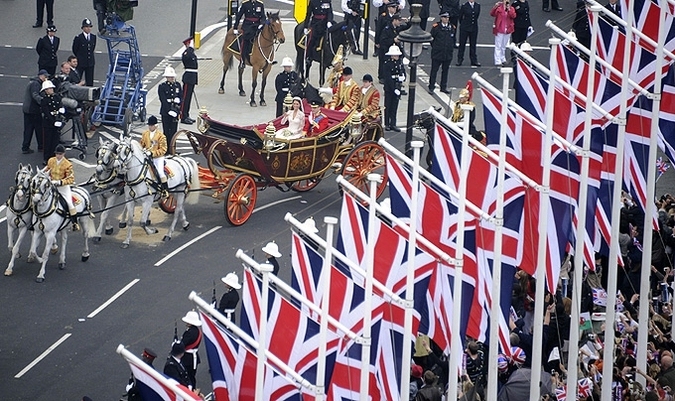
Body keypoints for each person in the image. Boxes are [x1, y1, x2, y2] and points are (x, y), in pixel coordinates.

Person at [44, 144, 80, 231]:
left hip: (62, 187)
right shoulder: (51, 160)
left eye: (60, 154)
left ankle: (74, 223)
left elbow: (71, 178)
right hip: (51, 185)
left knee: (69, 203)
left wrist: (60, 182)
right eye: (57, 154)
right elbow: (47, 169)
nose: (58, 156)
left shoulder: (68, 164)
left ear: (63, 154)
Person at [140, 115, 169, 196]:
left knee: (160, 172)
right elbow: (142, 144)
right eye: (149, 125)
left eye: (151, 125)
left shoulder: (161, 136)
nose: (150, 127)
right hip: (147, 155)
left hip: (157, 158)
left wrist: (153, 153)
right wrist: (142, 149)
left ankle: (165, 189)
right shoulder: (145, 134)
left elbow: (163, 149)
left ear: (155, 126)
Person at [22, 70, 48, 154]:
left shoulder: (33, 82)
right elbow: (35, 95)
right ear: (42, 76)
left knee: (28, 129)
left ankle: (25, 147)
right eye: (45, 76)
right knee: (38, 128)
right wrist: (43, 102)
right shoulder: (36, 84)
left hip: (28, 109)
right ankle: (41, 146)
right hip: (33, 110)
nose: (46, 78)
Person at [234, 0, 266, 68]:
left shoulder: (260, 4)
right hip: (248, 26)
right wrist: (235, 27)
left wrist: (262, 23)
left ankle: (267, 58)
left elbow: (263, 16)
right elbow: (239, 15)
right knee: (245, 41)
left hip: (257, 25)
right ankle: (242, 60)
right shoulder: (245, 4)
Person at [429, 13, 455, 93]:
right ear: (441, 18)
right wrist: (436, 47)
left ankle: (443, 87)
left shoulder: (452, 27)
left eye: (447, 17)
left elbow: (453, 39)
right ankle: (431, 87)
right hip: (437, 53)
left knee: (445, 71)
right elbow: (431, 39)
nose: (446, 19)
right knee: (434, 70)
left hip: (447, 53)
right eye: (445, 17)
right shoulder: (436, 27)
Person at [40, 79, 65, 163]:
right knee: (48, 141)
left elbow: (60, 105)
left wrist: (60, 115)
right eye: (49, 89)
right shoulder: (44, 100)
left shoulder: (57, 97)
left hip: (57, 121)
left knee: (55, 140)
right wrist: (53, 121)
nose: (51, 90)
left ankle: (54, 157)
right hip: (48, 123)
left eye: (51, 88)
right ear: (45, 90)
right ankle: (46, 158)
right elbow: (46, 112)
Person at [158, 66, 182, 152]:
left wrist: (178, 108)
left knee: (174, 131)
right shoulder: (162, 86)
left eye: (173, 77)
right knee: (166, 131)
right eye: (170, 77)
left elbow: (181, 97)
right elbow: (163, 100)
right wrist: (169, 110)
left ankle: (172, 149)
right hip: (166, 111)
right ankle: (166, 149)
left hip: (175, 111)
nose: (172, 78)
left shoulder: (177, 85)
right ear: (167, 77)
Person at [382, 45, 405, 132]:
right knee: (388, 106)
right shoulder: (387, 64)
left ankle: (393, 124)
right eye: (395, 55)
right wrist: (393, 88)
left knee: (394, 106)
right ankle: (387, 123)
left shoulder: (399, 63)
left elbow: (402, 71)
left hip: (397, 87)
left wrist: (403, 77)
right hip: (389, 88)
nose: (397, 57)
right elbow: (387, 78)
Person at [378, 13, 403, 83]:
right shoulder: (387, 29)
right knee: (385, 65)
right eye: (399, 20)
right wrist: (393, 40)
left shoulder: (397, 28)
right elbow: (383, 40)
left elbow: (407, 27)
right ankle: (382, 77)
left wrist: (408, 22)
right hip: (386, 50)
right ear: (394, 20)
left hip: (395, 51)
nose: (400, 22)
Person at [180, 311, 202, 389]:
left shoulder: (189, 333)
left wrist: (176, 344)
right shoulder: (197, 330)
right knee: (191, 376)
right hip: (193, 357)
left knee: (187, 376)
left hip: (188, 358)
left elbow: (183, 344)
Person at [490, 0, 516, 66]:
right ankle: (497, 60)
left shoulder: (511, 8)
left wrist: (509, 9)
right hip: (499, 29)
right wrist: (495, 7)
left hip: (507, 29)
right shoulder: (499, 8)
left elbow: (513, 16)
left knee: (504, 46)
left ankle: (502, 58)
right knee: (498, 45)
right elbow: (492, 14)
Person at [72, 19, 97, 87]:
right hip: (81, 62)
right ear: (83, 28)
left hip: (90, 62)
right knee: (77, 78)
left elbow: (92, 48)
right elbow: (75, 49)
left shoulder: (93, 37)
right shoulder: (78, 38)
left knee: (90, 80)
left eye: (90, 27)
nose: (88, 28)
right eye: (86, 27)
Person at [457, 0, 481, 67]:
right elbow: (460, 17)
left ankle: (473, 60)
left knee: (473, 44)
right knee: (462, 44)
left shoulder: (477, 5)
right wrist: (463, 24)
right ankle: (460, 59)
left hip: (474, 28)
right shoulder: (464, 6)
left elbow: (476, 16)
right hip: (465, 28)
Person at [181, 38, 198, 125]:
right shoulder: (187, 53)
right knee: (185, 98)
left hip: (192, 78)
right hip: (188, 77)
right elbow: (187, 57)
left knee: (189, 98)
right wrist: (190, 48)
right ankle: (183, 116)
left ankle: (186, 114)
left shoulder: (191, 53)